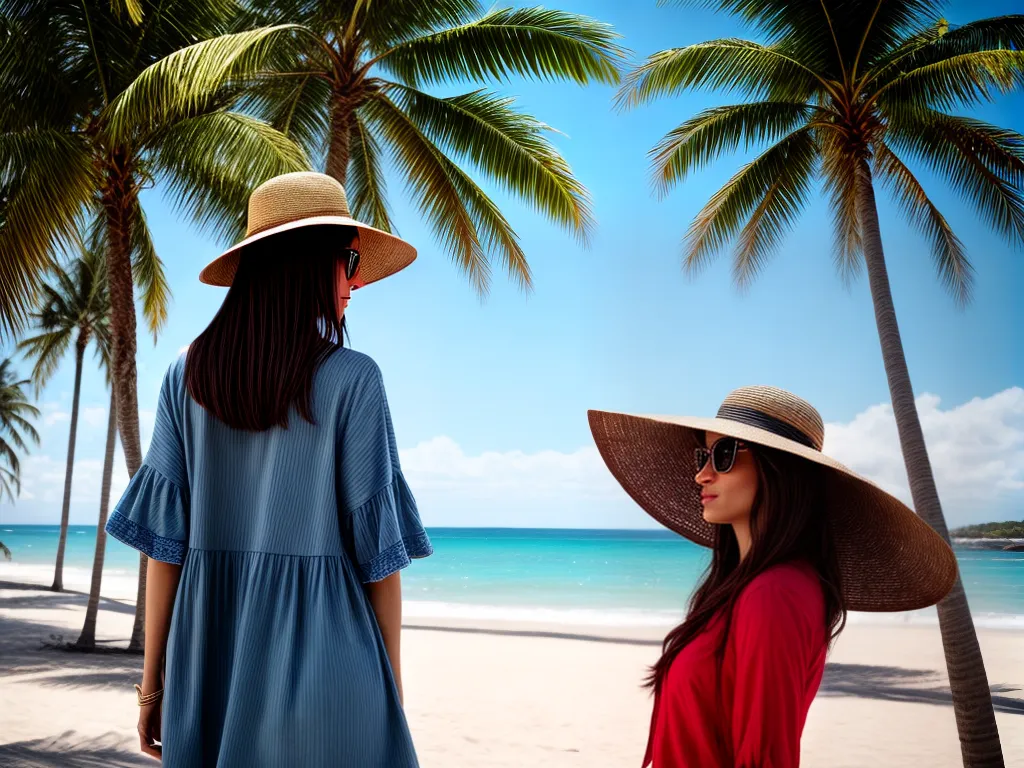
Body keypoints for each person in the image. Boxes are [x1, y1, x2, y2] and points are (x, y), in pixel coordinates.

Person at [105, 172, 432, 766]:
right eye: (349, 259)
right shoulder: (354, 380)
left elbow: (165, 553)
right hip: (329, 672)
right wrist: (392, 693)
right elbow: (378, 564)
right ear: (309, 264)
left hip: (208, 663)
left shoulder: (186, 376)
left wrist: (153, 686)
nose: (355, 281)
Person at [588, 386, 957, 768]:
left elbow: (766, 757)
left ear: (779, 469)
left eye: (724, 455)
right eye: (703, 455)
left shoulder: (775, 593)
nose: (702, 474)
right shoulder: (746, 587)